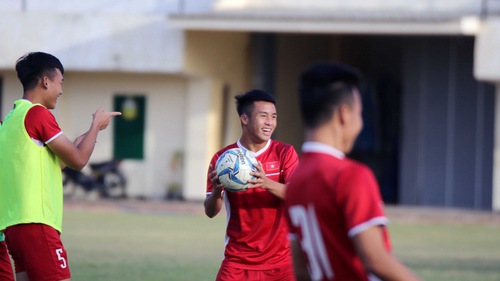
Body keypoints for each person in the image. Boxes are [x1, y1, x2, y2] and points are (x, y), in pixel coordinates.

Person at [285, 62, 420, 281]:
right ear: (344, 114)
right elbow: (375, 260)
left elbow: (300, 269)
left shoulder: (295, 181)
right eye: (360, 113)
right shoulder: (351, 175)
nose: (360, 122)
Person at [0, 52, 121, 281]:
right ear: (46, 81)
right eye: (60, 82)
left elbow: (62, 158)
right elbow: (78, 160)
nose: (61, 90)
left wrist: (90, 134)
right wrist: (96, 124)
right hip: (37, 225)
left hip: (13, 228)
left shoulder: (11, 120)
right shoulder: (37, 114)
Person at [205, 89, 299, 281]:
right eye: (263, 116)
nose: (270, 123)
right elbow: (210, 211)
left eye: (273, 117)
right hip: (238, 262)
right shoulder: (223, 159)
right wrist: (216, 192)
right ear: (245, 119)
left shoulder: (285, 153)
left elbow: (297, 196)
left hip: (281, 264)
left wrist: (266, 183)